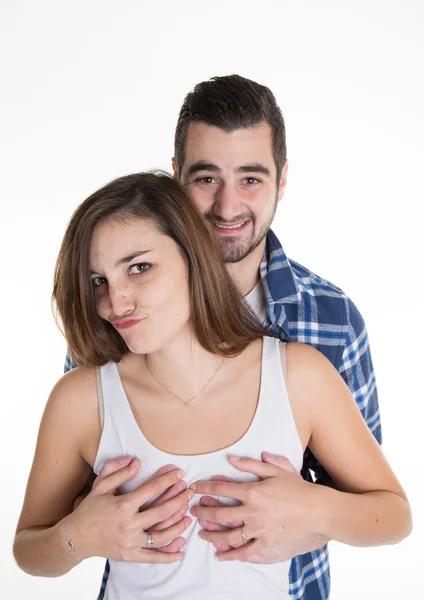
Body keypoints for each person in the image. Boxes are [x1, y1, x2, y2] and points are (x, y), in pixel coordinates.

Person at [14, 172, 411, 600]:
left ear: (193, 255)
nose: (116, 302)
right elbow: (28, 551)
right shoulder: (80, 400)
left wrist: (313, 507)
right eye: (98, 281)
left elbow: (395, 517)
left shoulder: (299, 378)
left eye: (139, 267)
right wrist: (79, 536)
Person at [83, 75, 386, 600]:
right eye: (205, 179)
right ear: (176, 176)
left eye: (251, 178)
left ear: (282, 179)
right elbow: (78, 491)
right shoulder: (119, 310)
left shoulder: (332, 321)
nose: (227, 207)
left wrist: (312, 508)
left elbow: (376, 508)